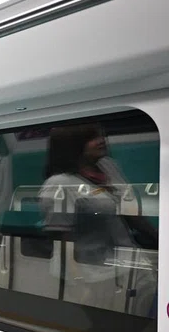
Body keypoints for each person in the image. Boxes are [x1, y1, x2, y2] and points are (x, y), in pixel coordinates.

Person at [39, 124, 157, 315]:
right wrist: (79, 285)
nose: (101, 140)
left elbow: (130, 213)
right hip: (92, 274)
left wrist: (159, 241)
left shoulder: (108, 167)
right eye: (92, 138)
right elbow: (62, 241)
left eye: (101, 134)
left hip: (129, 263)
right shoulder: (59, 184)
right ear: (73, 145)